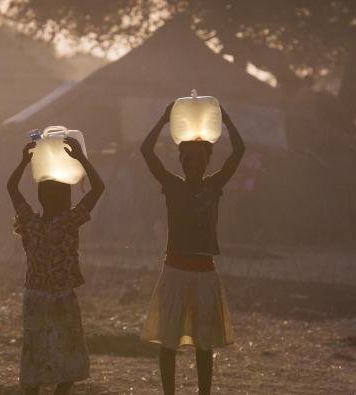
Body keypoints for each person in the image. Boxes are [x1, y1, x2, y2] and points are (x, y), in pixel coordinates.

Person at [140, 102, 243, 395]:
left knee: (204, 343)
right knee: (168, 342)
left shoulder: (215, 185)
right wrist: (163, 118)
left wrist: (227, 119)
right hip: (174, 270)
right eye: (186, 157)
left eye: (198, 158)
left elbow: (239, 152)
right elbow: (147, 151)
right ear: (180, 159)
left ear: (209, 160)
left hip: (204, 273)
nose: (192, 162)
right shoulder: (171, 184)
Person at [7, 136, 105, 395]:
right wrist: (82, 159)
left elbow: (12, 188)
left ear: (41, 197)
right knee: (68, 358)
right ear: (65, 199)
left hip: (35, 298)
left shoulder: (30, 222)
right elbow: (98, 188)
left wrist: (23, 162)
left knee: (35, 353)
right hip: (62, 297)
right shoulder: (69, 221)